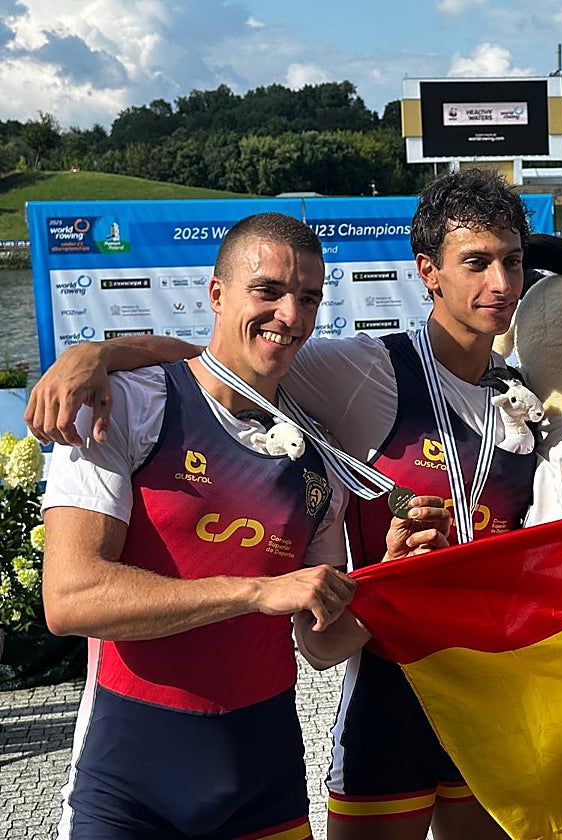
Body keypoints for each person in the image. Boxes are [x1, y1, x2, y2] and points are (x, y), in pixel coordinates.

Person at [40, 212, 448, 840]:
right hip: (130, 789)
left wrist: (388, 582)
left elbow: (320, 647)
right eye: (268, 291)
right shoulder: (123, 405)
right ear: (216, 294)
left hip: (267, 786)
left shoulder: (318, 455)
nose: (290, 315)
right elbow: (71, 598)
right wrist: (253, 591)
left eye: (309, 298)